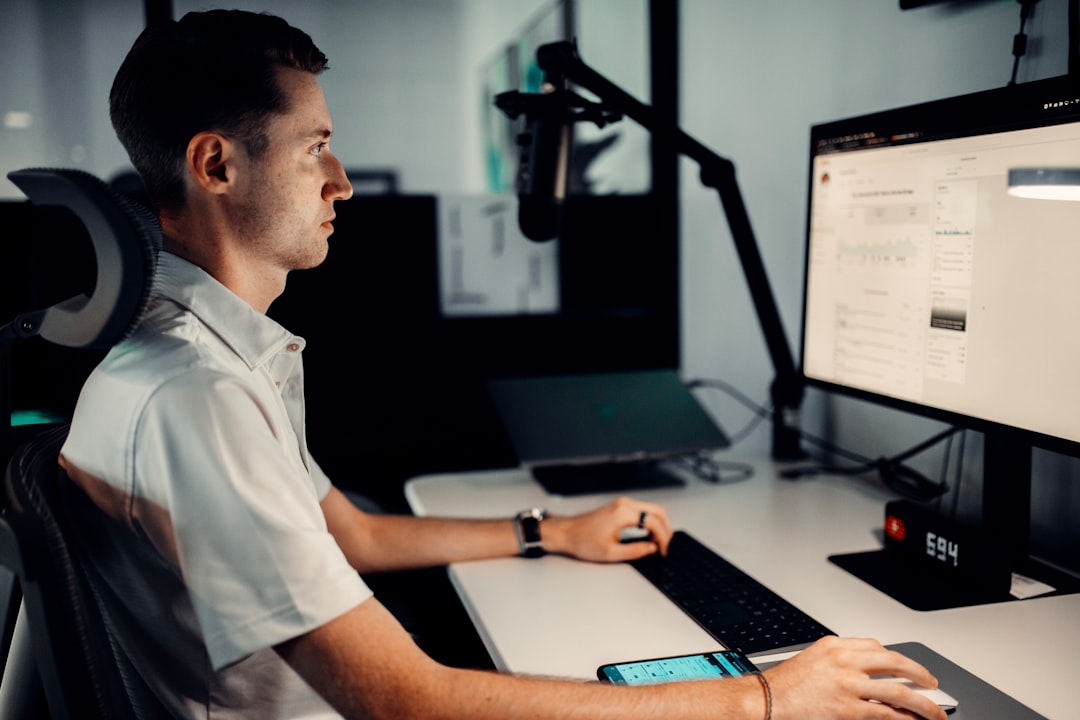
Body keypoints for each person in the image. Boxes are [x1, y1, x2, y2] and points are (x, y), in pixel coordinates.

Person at [58, 9, 947, 720]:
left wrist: (551, 531)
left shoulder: (214, 355)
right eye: (313, 147)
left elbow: (353, 537)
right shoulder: (196, 396)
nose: (343, 182)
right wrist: (763, 699)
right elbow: (408, 701)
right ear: (215, 164)